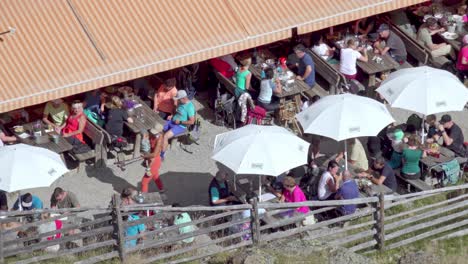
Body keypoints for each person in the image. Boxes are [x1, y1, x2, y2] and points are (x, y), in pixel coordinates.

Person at [160, 90, 196, 157]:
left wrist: (180, 122)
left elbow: (192, 121)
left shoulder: (190, 107)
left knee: (166, 136)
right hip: (173, 121)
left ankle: (162, 154)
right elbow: (177, 112)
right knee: (159, 129)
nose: (177, 101)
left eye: (179, 99)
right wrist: (172, 115)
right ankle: (159, 146)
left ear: (184, 98)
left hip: (180, 126)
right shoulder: (180, 102)